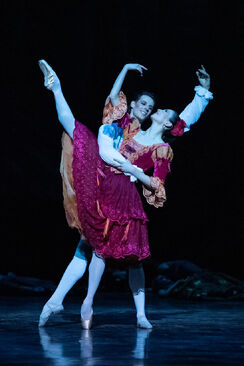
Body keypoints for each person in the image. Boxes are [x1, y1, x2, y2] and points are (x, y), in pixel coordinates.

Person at [38, 61, 213, 329]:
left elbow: (181, 125)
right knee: (88, 245)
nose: (154, 109)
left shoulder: (161, 148)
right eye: (149, 107)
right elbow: (119, 102)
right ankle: (60, 300)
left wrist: (202, 94)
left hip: (123, 196)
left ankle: (137, 313)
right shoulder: (132, 127)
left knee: (130, 258)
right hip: (103, 182)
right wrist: (125, 69)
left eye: (159, 110)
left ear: (165, 121)